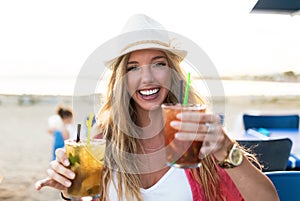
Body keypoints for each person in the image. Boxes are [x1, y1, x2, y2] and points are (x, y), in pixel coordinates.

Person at [35, 14, 279, 201]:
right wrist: (70, 190)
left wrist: (227, 150)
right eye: (133, 67)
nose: (147, 78)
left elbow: (268, 198)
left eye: (158, 64)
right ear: (122, 79)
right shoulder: (101, 140)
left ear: (173, 73)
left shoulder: (197, 135)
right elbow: (85, 195)